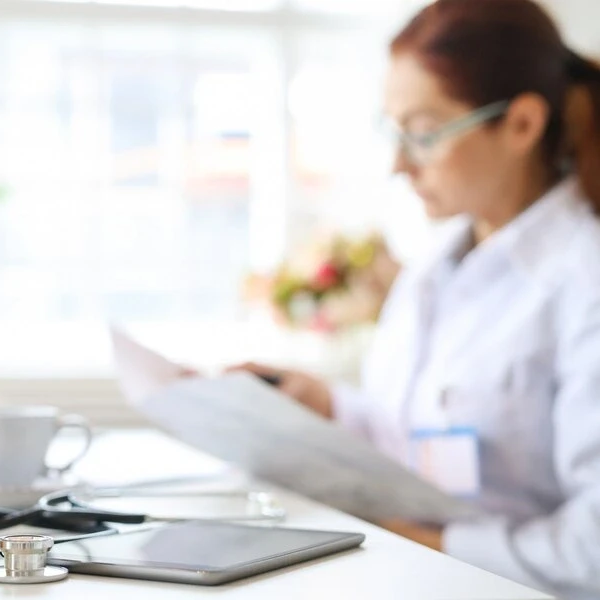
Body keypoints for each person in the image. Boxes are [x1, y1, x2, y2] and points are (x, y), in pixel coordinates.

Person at [232, 1, 600, 598]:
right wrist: (328, 407)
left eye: (424, 133)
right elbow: (422, 440)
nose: (399, 163)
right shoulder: (435, 266)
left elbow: (593, 548)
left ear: (522, 125)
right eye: (395, 130)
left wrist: (425, 542)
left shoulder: (583, 281)